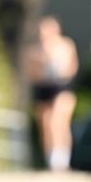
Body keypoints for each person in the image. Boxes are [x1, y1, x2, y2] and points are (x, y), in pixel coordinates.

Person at [23, 16, 78, 171]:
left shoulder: (65, 45)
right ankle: (51, 158)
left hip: (61, 87)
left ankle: (62, 158)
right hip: (43, 87)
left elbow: (72, 67)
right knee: (45, 124)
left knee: (58, 121)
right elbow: (31, 74)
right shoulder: (34, 50)